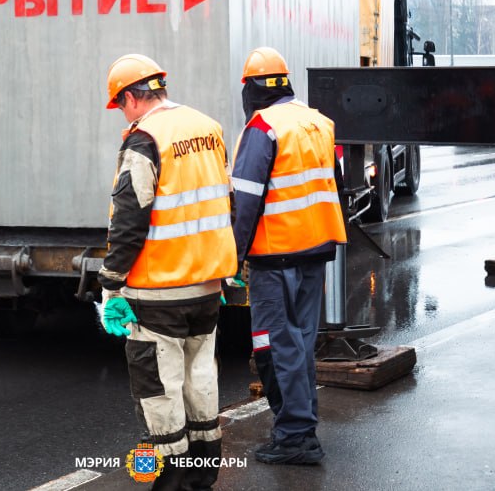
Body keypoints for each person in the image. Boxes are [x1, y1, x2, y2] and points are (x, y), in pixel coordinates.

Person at [98, 53, 238, 491]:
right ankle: (202, 478)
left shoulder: (145, 140)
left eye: (120, 105)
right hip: (206, 288)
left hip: (158, 292)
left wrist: (110, 283)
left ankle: (170, 483)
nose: (123, 114)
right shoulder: (208, 128)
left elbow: (130, 219)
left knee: (160, 391)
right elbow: (227, 201)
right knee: (201, 381)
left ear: (130, 97)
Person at [229, 47, 347, 466]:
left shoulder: (263, 128)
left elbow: (246, 203)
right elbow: (335, 187)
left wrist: (232, 258)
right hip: (315, 251)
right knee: (300, 344)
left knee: (279, 347)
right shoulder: (318, 122)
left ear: (251, 89)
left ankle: (296, 436)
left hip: (275, 255)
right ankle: (300, 427)